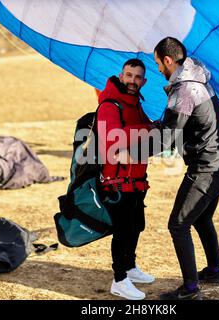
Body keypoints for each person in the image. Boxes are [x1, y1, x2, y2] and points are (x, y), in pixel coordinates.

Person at [152, 37, 219, 300]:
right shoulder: (198, 78)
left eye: (157, 64)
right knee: (201, 217)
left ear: (167, 60)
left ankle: (190, 289)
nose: (158, 70)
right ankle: (214, 270)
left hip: (206, 169)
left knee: (178, 224)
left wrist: (131, 153)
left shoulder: (184, 89)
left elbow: (167, 139)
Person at [96, 59, 155, 300]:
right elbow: (112, 140)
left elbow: (145, 139)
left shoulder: (136, 104)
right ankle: (119, 280)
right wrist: (148, 128)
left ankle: (130, 267)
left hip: (137, 180)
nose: (132, 81)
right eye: (129, 75)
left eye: (137, 77)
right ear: (121, 76)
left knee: (135, 227)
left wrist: (151, 130)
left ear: (144, 81)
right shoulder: (110, 105)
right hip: (117, 182)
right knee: (122, 231)